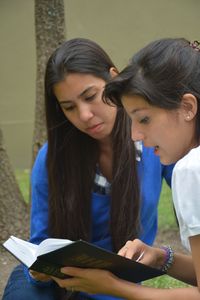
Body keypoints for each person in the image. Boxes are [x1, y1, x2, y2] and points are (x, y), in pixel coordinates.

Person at [2, 38, 174, 300]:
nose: (83, 115)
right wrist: (38, 270)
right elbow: (40, 242)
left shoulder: (152, 139)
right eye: (69, 107)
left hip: (116, 288)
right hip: (57, 288)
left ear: (113, 79)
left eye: (90, 96)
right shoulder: (53, 158)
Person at [50, 38, 200, 299]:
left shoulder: (191, 169)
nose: (134, 134)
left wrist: (116, 288)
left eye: (144, 119)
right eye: (69, 107)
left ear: (187, 107)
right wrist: (162, 258)